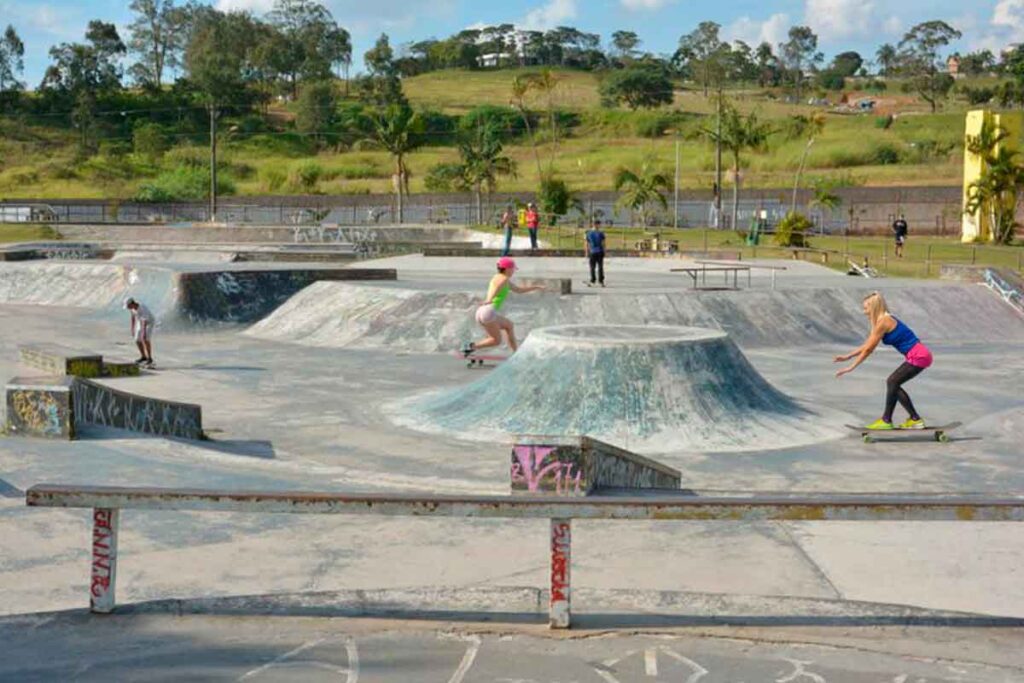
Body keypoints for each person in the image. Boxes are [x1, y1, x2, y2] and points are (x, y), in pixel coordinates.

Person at [834, 291, 933, 430]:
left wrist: (851, 367)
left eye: (866, 308)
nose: (864, 312)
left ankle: (888, 420)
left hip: (919, 355)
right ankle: (914, 419)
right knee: (893, 383)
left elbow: (869, 350)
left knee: (892, 382)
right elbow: (868, 344)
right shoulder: (884, 320)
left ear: (874, 307)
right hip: (919, 354)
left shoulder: (884, 321)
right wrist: (848, 356)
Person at [461, 257, 544, 356]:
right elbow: (497, 286)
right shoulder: (503, 279)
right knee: (496, 340)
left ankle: (514, 353)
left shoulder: (499, 277)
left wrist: (536, 287)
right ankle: (471, 347)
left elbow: (519, 290)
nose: (513, 271)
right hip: (488, 311)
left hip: (482, 311)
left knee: (508, 326)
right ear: (507, 269)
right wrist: (490, 299)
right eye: (513, 269)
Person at [125, 298, 156, 367]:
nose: (127, 308)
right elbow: (133, 317)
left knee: (145, 339)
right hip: (141, 322)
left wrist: (144, 333)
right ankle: (143, 357)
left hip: (149, 322)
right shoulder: (132, 308)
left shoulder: (142, 308)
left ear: (132, 303)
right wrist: (132, 329)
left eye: (128, 306)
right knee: (137, 340)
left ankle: (149, 358)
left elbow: (144, 321)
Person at [585, 219, 607, 287]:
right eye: (599, 224)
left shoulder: (588, 233)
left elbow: (586, 243)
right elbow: (603, 243)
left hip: (592, 252)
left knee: (592, 267)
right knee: (600, 267)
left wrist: (586, 252)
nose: (599, 226)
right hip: (599, 251)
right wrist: (605, 251)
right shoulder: (601, 233)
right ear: (598, 225)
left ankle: (593, 280)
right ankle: (600, 281)